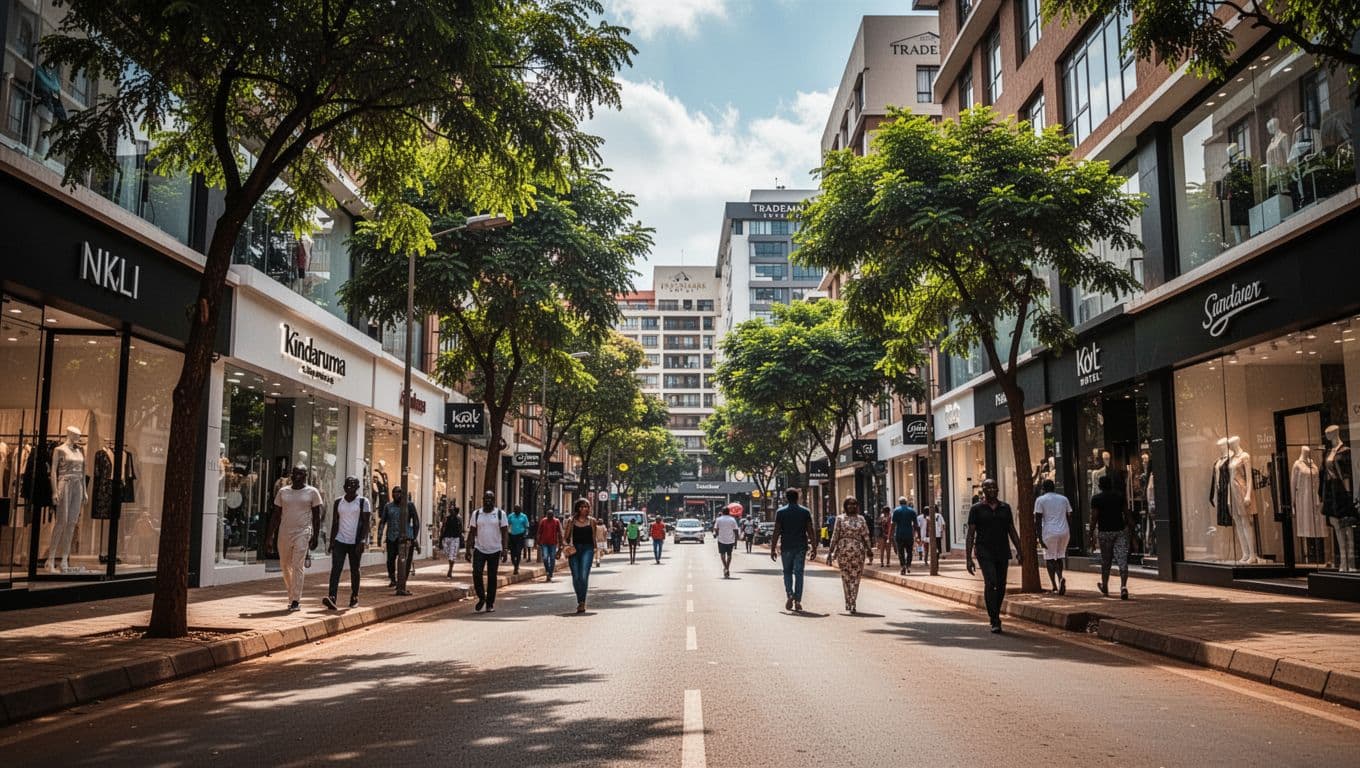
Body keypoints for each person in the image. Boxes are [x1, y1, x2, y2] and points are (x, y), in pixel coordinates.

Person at [966, 478, 1025, 633]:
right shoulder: (976, 509)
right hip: (984, 551)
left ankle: (995, 612)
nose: (992, 490)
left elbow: (1011, 530)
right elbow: (971, 534)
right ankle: (994, 619)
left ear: (998, 490)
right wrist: (968, 558)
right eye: (988, 487)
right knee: (991, 581)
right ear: (983, 490)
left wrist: (1020, 550)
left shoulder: (1005, 508)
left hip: (1002, 550)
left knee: (1001, 584)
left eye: (994, 487)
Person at [268, 465, 322, 612]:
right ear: (291, 475)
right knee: (285, 565)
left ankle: (296, 600)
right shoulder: (283, 492)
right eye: (295, 474)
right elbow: (275, 515)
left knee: (298, 565)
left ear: (306, 476)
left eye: (301, 474)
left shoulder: (312, 492)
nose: (298, 476)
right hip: (284, 532)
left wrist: (315, 536)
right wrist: (270, 536)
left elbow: (317, 518)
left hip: (303, 532)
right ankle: (291, 594)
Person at [324, 476, 370, 610]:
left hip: (355, 541)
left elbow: (366, 523)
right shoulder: (338, 502)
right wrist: (331, 542)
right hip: (340, 540)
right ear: (344, 487)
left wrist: (363, 541)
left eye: (354, 485)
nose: (351, 487)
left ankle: (354, 596)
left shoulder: (363, 502)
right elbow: (335, 523)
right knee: (336, 569)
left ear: (358, 487)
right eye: (348, 485)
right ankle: (332, 597)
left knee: (355, 570)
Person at [770, 489, 817, 612]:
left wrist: (773, 548)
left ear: (786, 498)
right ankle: (797, 600)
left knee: (787, 572)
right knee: (799, 573)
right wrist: (814, 547)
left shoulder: (780, 512)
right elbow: (810, 530)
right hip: (801, 546)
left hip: (786, 547)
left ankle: (790, 594)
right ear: (798, 497)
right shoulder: (805, 512)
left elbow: (776, 531)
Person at [1090, 474, 1135, 600]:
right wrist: (1132, 531)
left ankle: (1105, 586)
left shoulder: (1096, 499)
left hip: (1104, 532)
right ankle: (1123, 586)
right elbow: (1127, 514)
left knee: (1106, 561)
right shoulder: (1120, 497)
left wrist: (1091, 535)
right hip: (1120, 531)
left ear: (1099, 486)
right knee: (1122, 559)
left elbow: (1094, 518)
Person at [465, 491, 509, 613]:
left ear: (494, 500)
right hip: (480, 548)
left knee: (492, 577)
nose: (488, 500)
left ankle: (490, 603)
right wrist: (468, 549)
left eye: (490, 498)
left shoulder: (500, 514)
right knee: (477, 573)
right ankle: (481, 597)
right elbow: (472, 532)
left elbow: (505, 532)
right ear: (482, 500)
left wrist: (505, 549)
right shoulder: (477, 514)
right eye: (486, 498)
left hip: (495, 549)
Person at [827, 497, 872, 614]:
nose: (851, 506)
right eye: (849, 504)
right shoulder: (840, 518)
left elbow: (866, 535)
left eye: (854, 504)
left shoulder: (861, 519)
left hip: (858, 552)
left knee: (856, 578)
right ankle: (848, 601)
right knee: (846, 577)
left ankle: (853, 601)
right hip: (843, 552)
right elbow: (835, 535)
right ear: (845, 506)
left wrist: (869, 549)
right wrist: (830, 552)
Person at [1033, 479, 1073, 594]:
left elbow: (1038, 519)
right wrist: (1068, 529)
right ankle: (1060, 577)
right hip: (1064, 531)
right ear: (1054, 487)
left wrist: (1039, 537)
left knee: (1050, 559)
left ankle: (1055, 586)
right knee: (1060, 557)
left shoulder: (1040, 500)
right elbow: (1070, 516)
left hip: (1049, 532)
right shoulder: (1063, 499)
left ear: (1043, 489)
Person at [377, 486, 419, 589]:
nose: (396, 495)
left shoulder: (409, 505)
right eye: (394, 493)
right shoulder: (388, 506)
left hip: (406, 537)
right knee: (390, 559)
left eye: (399, 492)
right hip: (391, 537)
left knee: (405, 560)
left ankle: (402, 581)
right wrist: (379, 535)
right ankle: (392, 579)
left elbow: (416, 521)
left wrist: (414, 536)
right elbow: (383, 521)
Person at [565, 499, 597, 613]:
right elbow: (566, 538)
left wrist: (596, 549)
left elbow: (594, 537)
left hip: (588, 549)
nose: (585, 509)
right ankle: (580, 599)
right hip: (574, 549)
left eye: (587, 507)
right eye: (582, 507)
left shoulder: (592, 521)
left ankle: (582, 602)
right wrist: (565, 547)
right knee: (576, 576)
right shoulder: (571, 521)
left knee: (584, 576)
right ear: (578, 508)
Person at [891, 497, 918, 574]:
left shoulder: (896, 511)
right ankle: (908, 565)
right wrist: (917, 534)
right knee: (909, 551)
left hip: (899, 534)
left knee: (900, 551)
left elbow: (893, 524)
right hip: (909, 534)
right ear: (906, 502)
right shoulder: (912, 511)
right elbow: (916, 524)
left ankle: (903, 566)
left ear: (899, 502)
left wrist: (890, 535)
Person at [713, 505, 740, 578]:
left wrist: (716, 534)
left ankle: (725, 568)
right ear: (729, 512)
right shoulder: (732, 519)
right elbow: (736, 530)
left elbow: (715, 528)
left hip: (721, 539)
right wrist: (737, 537)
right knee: (729, 555)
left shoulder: (718, 519)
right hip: (730, 540)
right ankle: (727, 568)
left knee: (722, 555)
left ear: (722, 512)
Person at [536, 510, 563, 582]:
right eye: (548, 515)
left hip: (553, 543)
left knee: (552, 558)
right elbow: (539, 532)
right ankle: (547, 571)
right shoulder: (543, 521)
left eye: (551, 515)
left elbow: (560, 533)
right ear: (546, 515)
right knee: (545, 558)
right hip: (544, 543)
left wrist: (561, 545)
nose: (549, 516)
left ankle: (550, 573)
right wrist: (538, 541)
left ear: (553, 515)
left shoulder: (556, 521)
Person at [440, 506, 463, 580]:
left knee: (451, 555)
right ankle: (451, 564)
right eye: (450, 510)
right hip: (447, 538)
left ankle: (450, 570)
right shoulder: (446, 518)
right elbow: (443, 528)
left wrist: (460, 537)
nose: (450, 511)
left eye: (452, 510)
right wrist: (441, 539)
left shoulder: (458, 518)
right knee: (447, 552)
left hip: (455, 538)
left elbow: (460, 528)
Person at [506, 505, 529, 575]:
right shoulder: (510, 516)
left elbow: (527, 526)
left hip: (520, 536)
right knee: (512, 552)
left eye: (518, 510)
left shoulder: (524, 516)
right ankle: (514, 563)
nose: (517, 511)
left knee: (518, 551)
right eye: (515, 510)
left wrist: (526, 533)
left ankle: (516, 566)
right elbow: (507, 524)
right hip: (512, 536)